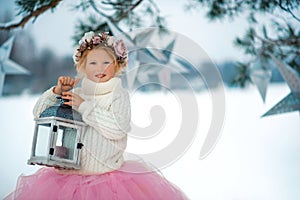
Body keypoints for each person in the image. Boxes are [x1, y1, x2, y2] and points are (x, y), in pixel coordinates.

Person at [4, 31, 188, 200]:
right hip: (67, 179)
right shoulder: (78, 93)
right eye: (92, 63)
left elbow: (117, 128)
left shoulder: (117, 95)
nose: (99, 68)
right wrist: (56, 92)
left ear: (117, 65)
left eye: (106, 62)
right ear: (83, 67)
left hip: (107, 180)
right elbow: (39, 113)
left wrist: (85, 107)